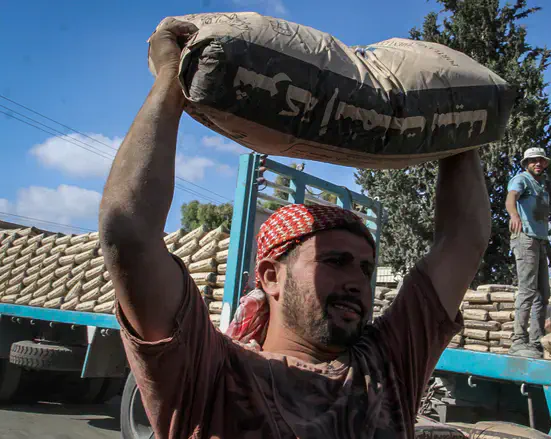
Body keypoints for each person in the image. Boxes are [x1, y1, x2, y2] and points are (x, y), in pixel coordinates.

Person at [98, 18, 491, 439]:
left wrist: (461, 123)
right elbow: (130, 233)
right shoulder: (213, 374)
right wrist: (168, 82)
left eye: (365, 268)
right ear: (271, 276)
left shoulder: (387, 368)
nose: (358, 282)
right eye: (335, 261)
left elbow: (463, 240)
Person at [504, 147, 551, 358]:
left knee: (543, 293)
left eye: (540, 161)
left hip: (540, 241)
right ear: (526, 164)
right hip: (524, 239)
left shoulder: (542, 188)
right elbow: (511, 198)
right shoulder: (522, 179)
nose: (537, 164)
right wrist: (514, 215)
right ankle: (518, 339)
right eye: (533, 161)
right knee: (527, 290)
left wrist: (549, 248)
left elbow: (541, 223)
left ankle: (535, 342)